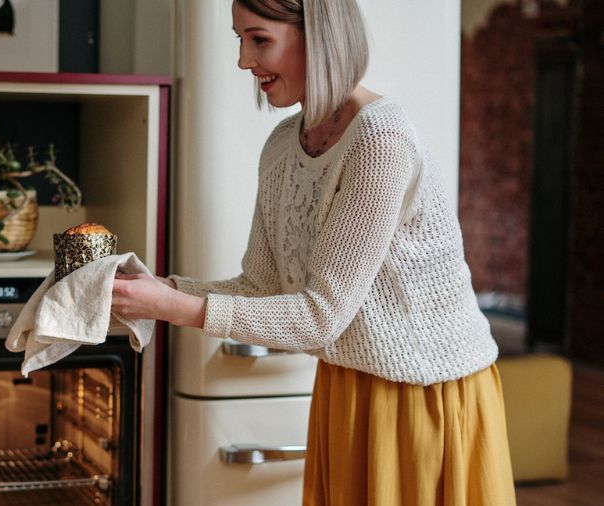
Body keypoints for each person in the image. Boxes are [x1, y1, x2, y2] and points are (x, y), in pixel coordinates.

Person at [111, 0, 516, 504]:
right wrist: (157, 290)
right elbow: (258, 286)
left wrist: (171, 307)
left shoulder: (380, 139)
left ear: (319, 35)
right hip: (348, 386)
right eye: (240, 40)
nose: (243, 60)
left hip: (421, 395)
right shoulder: (283, 144)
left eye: (259, 39)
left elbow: (320, 317)